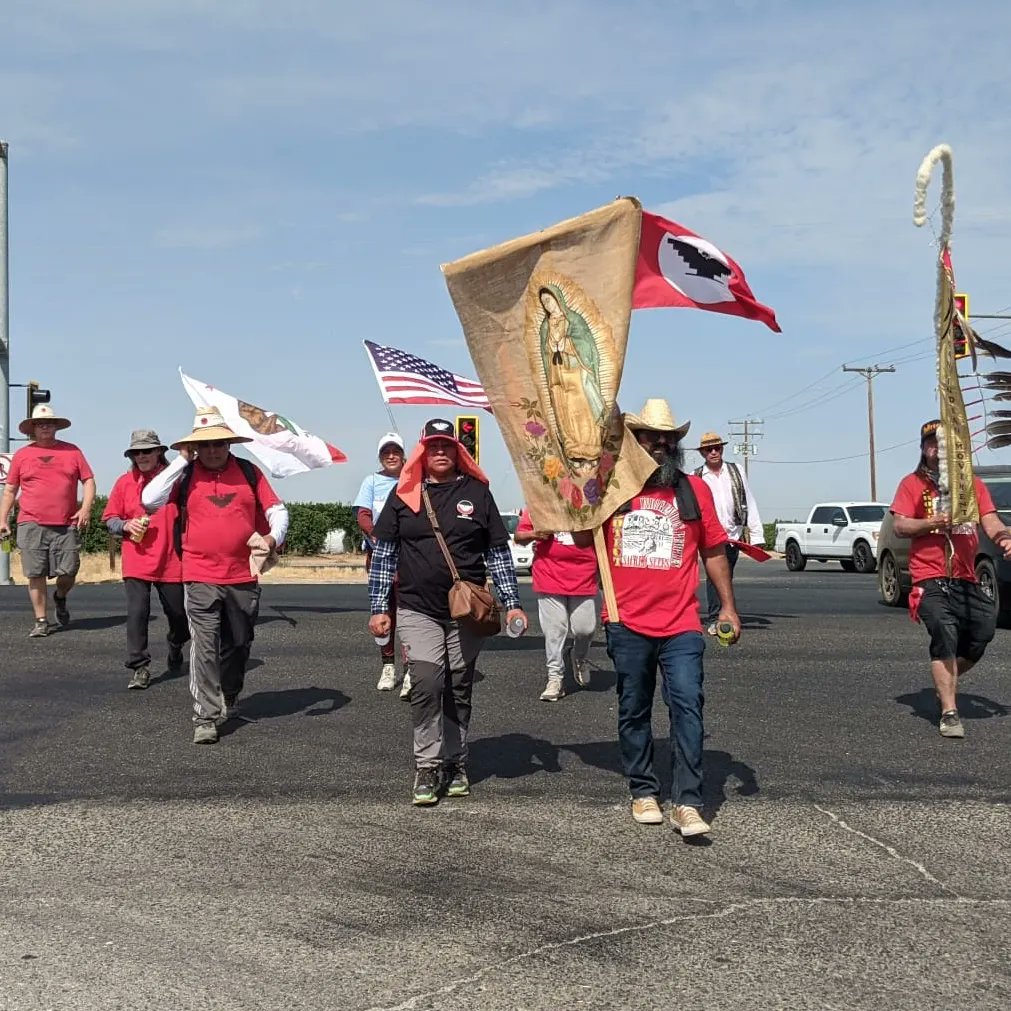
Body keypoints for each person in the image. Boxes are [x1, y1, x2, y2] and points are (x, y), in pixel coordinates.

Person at [582, 398, 740, 837]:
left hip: (681, 622)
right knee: (634, 707)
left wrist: (727, 606)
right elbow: (580, 537)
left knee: (688, 705)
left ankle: (688, 801)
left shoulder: (693, 490)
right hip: (627, 619)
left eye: (669, 438)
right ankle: (644, 790)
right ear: (634, 441)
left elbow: (713, 550)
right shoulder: (611, 489)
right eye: (652, 437)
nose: (662, 444)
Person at [367, 418, 528, 806]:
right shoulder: (404, 495)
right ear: (423, 451)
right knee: (426, 683)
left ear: (459, 451)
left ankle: (455, 761)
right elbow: (385, 555)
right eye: (433, 446)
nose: (440, 452)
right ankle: (427, 764)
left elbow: (497, 554)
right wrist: (378, 608)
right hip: (416, 608)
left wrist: (512, 603)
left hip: (466, 612)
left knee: (458, 686)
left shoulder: (477, 492)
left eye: (447, 446)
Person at [142, 407, 289, 745]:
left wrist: (272, 538)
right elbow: (149, 500)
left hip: (242, 574)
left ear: (229, 444)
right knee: (204, 647)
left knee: (239, 642)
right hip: (199, 573)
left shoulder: (249, 472)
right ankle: (205, 716)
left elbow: (277, 510)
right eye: (205, 444)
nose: (212, 450)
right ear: (195, 446)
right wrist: (180, 461)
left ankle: (231, 692)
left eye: (219, 443)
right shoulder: (185, 475)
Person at [889, 419, 1011, 739]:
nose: (937, 449)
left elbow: (991, 521)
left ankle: (946, 680)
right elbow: (901, 525)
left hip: (965, 575)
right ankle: (949, 710)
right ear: (923, 449)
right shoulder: (912, 484)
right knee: (945, 630)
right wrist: (933, 523)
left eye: (944, 443)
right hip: (929, 575)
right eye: (931, 443)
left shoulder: (971, 485)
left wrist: (1003, 538)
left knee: (983, 631)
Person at [102, 430, 190, 690]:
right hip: (136, 559)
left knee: (178, 615)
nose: (141, 456)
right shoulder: (123, 482)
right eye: (136, 452)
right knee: (137, 613)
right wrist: (126, 525)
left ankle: (176, 643)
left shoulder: (176, 479)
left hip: (171, 559)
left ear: (159, 452)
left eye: (147, 451)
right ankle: (139, 666)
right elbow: (110, 519)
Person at [0, 404, 96, 637]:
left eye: (49, 423)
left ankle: (60, 596)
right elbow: (10, 490)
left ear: (56, 427)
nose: (45, 426)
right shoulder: (23, 455)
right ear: (32, 428)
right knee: (35, 573)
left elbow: (89, 481)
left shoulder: (72, 451)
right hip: (31, 523)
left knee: (69, 571)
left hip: (66, 523)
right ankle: (41, 620)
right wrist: (2, 519)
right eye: (40, 423)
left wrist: (85, 508)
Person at [514, 508, 599, 701]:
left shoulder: (591, 502)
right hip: (549, 575)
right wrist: (534, 534)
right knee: (554, 631)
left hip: (585, 576)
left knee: (585, 629)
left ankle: (579, 658)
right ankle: (555, 678)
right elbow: (519, 537)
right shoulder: (540, 502)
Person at [354, 432, 410, 696]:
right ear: (380, 456)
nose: (391, 456)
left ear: (403, 455)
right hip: (380, 557)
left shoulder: (413, 479)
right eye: (386, 452)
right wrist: (381, 540)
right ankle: (388, 665)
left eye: (395, 451)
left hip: (410, 560)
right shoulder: (371, 481)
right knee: (383, 612)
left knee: (411, 615)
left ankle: (411, 669)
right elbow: (363, 515)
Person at [693, 431, 763, 635]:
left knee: (726, 575)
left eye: (717, 448)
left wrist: (757, 535)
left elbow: (748, 499)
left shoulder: (736, 470)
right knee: (715, 575)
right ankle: (716, 616)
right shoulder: (697, 476)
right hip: (710, 534)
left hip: (733, 534)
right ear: (702, 453)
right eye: (709, 449)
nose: (714, 452)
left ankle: (724, 611)